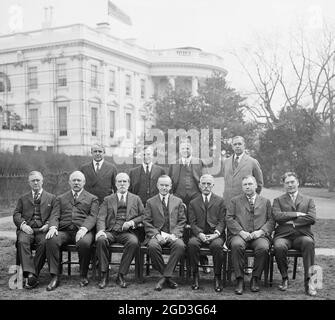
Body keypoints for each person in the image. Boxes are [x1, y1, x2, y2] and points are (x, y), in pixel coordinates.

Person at [45, 171, 99, 291]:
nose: (76, 182)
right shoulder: (60, 198)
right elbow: (54, 215)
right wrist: (53, 227)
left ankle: (83, 275)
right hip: (64, 231)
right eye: (73, 180)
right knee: (51, 239)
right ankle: (55, 276)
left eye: (79, 180)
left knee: (84, 243)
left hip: (83, 230)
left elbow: (93, 216)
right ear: (69, 182)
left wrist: (84, 228)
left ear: (84, 182)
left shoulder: (92, 198)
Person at [226, 175, 274, 295]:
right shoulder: (235, 201)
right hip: (239, 234)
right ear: (242, 187)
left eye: (250, 184)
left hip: (259, 236)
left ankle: (255, 278)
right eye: (245, 185)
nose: (247, 186)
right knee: (236, 245)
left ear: (256, 185)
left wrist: (261, 232)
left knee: (263, 248)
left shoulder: (265, 202)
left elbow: (271, 220)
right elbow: (229, 218)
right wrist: (241, 232)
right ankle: (240, 279)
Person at [95, 173, 144, 289]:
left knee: (133, 242)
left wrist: (132, 222)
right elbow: (101, 217)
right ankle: (104, 274)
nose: (122, 184)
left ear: (129, 184)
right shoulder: (108, 199)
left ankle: (121, 275)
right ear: (115, 184)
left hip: (127, 232)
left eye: (124, 182)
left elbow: (143, 215)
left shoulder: (136, 199)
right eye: (119, 182)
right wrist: (101, 230)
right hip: (111, 231)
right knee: (101, 240)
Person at [272, 172, 317, 296]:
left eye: (292, 182)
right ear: (284, 185)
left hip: (302, 235)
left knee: (309, 243)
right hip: (283, 236)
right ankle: (284, 278)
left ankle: (310, 282)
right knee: (279, 246)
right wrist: (296, 214)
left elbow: (312, 218)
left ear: (298, 182)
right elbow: (277, 216)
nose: (290, 185)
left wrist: (292, 222)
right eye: (287, 183)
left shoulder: (308, 200)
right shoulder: (278, 200)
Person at [168, 140, 210, 272]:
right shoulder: (174, 164)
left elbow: (207, 179)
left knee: (197, 229)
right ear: (179, 150)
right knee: (180, 230)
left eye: (188, 148)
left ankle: (202, 261)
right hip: (179, 202)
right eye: (183, 148)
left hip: (196, 201)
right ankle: (181, 261)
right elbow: (169, 183)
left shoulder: (199, 162)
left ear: (192, 149)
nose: (185, 150)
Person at [13, 171, 56, 289]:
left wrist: (48, 224)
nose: (36, 182)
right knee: (22, 242)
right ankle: (31, 275)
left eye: (38, 180)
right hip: (27, 229)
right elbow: (16, 213)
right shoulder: (23, 198)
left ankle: (32, 275)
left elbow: (55, 214)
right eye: (33, 181)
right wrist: (23, 225)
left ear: (42, 181)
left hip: (43, 230)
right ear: (29, 183)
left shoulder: (51, 198)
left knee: (44, 243)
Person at [143, 175, 186, 291]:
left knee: (180, 245)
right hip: (157, 235)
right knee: (152, 246)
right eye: (162, 185)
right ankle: (168, 277)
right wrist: (156, 235)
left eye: (167, 185)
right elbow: (146, 221)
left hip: (172, 234)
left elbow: (182, 220)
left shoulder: (178, 201)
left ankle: (164, 278)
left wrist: (175, 234)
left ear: (171, 186)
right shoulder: (150, 202)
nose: (164, 187)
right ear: (157, 186)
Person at [187, 174, 226, 292]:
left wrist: (216, 234)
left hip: (215, 235)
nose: (206, 186)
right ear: (199, 185)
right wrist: (200, 234)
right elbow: (192, 223)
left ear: (213, 185)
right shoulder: (193, 203)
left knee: (217, 246)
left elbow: (222, 221)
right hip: (199, 235)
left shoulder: (220, 201)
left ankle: (217, 276)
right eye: (203, 183)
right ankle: (195, 276)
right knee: (192, 244)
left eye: (209, 184)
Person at [222, 136, 263, 205]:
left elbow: (259, 184)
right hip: (228, 203)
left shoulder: (252, 162)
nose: (237, 146)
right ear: (232, 146)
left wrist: (251, 199)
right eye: (235, 144)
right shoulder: (226, 162)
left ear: (244, 145)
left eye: (239, 144)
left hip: (245, 204)